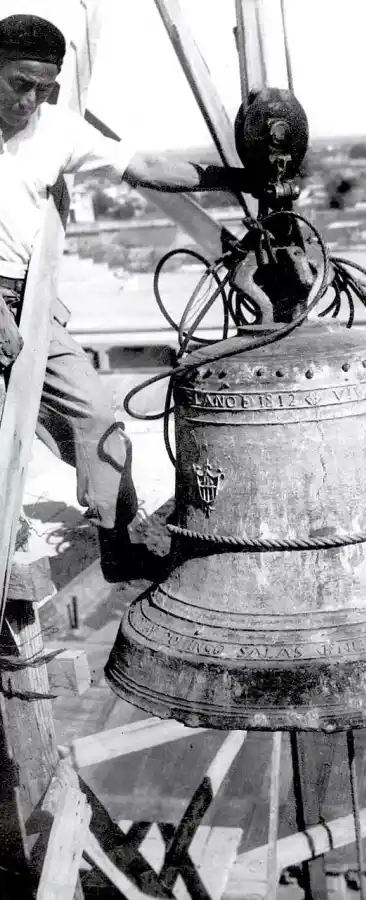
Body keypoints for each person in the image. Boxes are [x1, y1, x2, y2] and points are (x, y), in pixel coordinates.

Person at [0, 13, 251, 582]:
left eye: (46, 89)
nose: (32, 101)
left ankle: (119, 544)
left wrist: (238, 179)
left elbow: (144, 166)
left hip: (29, 307)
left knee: (94, 416)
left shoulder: (55, 128)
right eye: (21, 84)